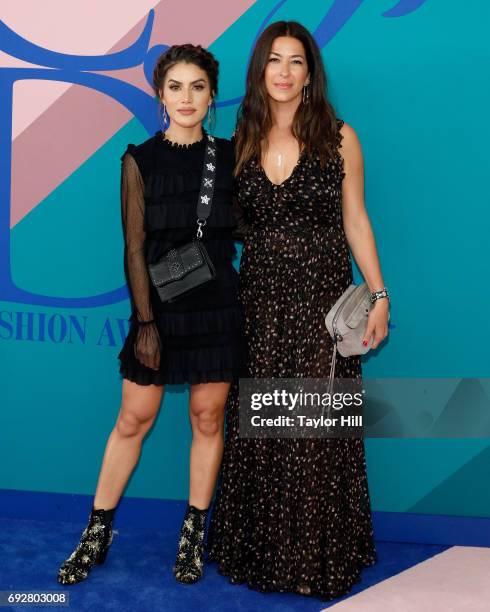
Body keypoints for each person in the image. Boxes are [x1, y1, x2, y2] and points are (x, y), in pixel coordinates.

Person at [206, 21, 389, 600]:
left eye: (296, 62)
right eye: (274, 61)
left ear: (310, 75)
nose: (284, 72)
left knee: (312, 431)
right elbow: (219, 226)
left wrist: (380, 294)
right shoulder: (241, 139)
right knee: (262, 430)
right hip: (257, 304)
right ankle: (261, 557)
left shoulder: (339, 137)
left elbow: (355, 219)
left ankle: (315, 558)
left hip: (322, 303)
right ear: (260, 71)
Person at [57, 44, 244, 586]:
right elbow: (134, 247)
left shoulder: (232, 155)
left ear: (212, 97)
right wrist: (144, 325)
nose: (186, 97)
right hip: (158, 312)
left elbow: (249, 229)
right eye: (175, 87)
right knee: (132, 420)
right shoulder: (139, 159)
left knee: (208, 420)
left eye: (198, 87)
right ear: (160, 95)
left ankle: (192, 536)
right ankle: (96, 532)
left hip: (216, 310)